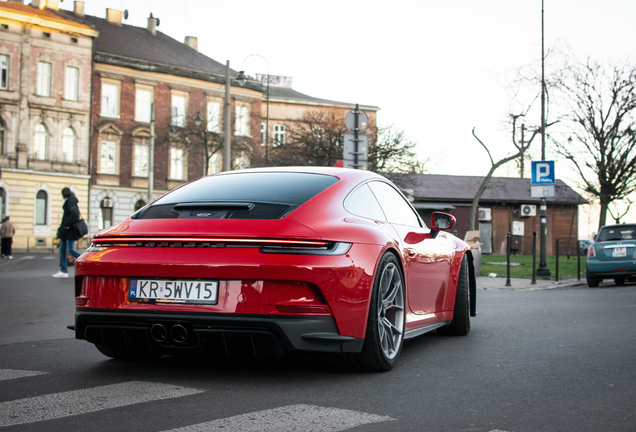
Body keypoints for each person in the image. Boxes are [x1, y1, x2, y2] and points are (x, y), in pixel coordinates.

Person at [53, 187, 82, 278]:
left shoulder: (70, 201)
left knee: (70, 250)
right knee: (62, 250)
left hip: (69, 231)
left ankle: (87, 259)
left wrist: (66, 224)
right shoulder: (71, 201)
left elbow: (74, 215)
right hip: (66, 231)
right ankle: (63, 271)